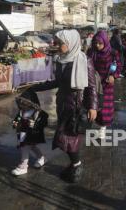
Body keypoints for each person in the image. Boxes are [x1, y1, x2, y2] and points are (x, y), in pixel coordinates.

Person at [31, 29, 97, 183]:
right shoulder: (61, 61)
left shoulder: (83, 61)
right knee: (65, 138)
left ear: (71, 43)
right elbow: (57, 82)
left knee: (67, 138)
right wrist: (37, 87)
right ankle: (75, 164)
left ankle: (77, 165)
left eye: (60, 43)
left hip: (77, 106)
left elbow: (92, 87)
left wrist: (93, 106)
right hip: (62, 104)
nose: (57, 45)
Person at [87, 30, 122, 139]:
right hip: (94, 83)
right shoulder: (91, 52)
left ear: (105, 42)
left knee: (105, 107)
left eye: (100, 43)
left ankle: (103, 128)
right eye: (95, 43)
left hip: (107, 84)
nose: (97, 45)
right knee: (94, 104)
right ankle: (96, 123)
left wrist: (114, 75)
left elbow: (119, 66)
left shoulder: (113, 53)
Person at [11, 89, 48, 176]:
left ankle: (23, 166)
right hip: (23, 133)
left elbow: (43, 122)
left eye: (24, 103)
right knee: (31, 147)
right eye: (21, 103)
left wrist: (35, 124)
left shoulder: (37, 113)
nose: (22, 105)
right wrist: (15, 123)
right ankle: (42, 157)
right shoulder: (22, 112)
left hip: (31, 134)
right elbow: (17, 119)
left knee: (25, 148)